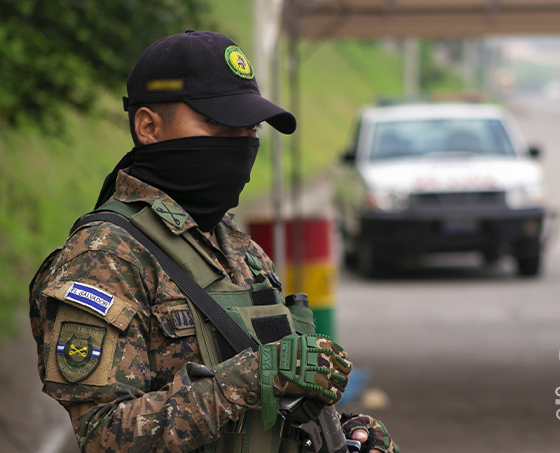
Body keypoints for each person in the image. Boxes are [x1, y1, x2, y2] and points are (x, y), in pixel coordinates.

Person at [29, 30, 398, 453]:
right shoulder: (105, 256)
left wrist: (345, 433)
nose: (241, 143)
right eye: (220, 125)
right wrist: (248, 376)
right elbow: (104, 434)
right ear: (148, 126)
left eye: (250, 127)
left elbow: (269, 407)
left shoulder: (241, 249)